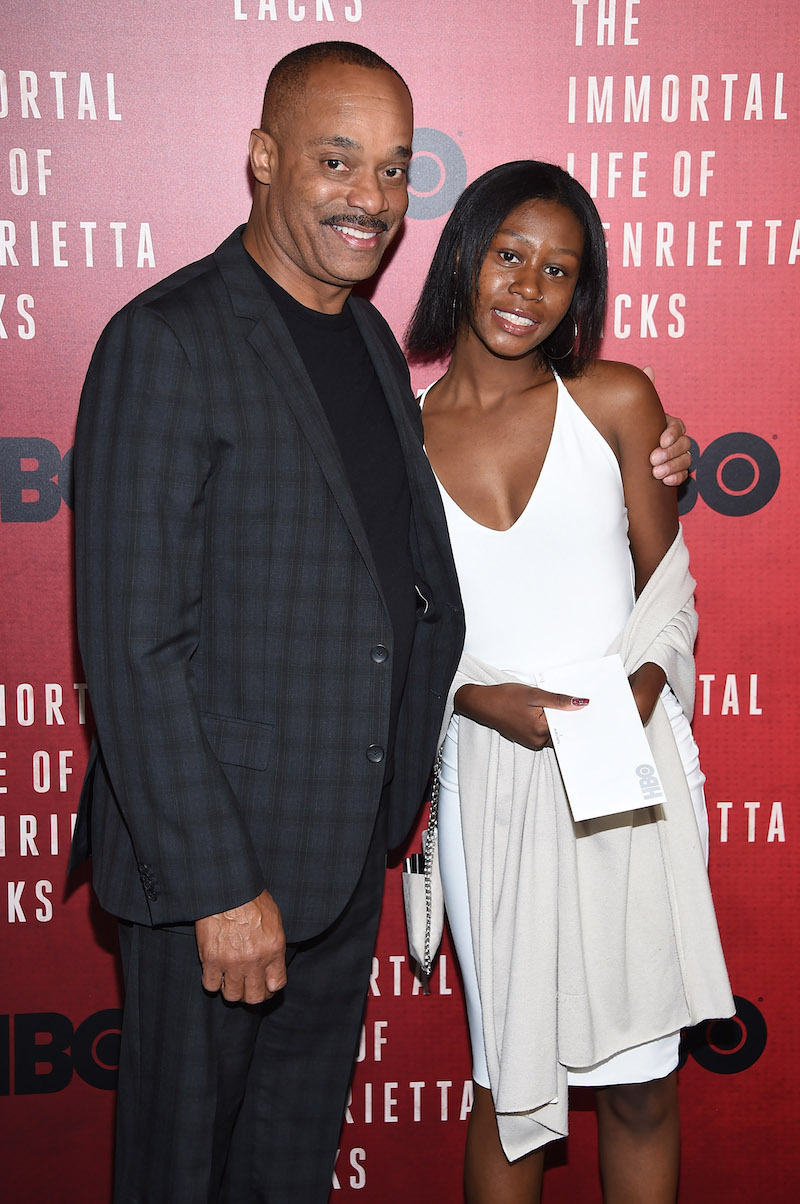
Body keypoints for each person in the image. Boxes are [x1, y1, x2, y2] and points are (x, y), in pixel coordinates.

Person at [69, 40, 692, 1203]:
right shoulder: (167, 340)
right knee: (180, 1173)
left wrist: (665, 461)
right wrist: (217, 886)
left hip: (342, 862)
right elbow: (131, 647)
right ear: (263, 160)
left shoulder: (360, 338)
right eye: (337, 160)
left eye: (396, 170)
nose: (370, 196)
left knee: (283, 1170)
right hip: (225, 882)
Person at [406, 160, 733, 1204]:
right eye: (509, 254)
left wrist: (638, 681)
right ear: (462, 252)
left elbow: (666, 585)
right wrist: (470, 697)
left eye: (559, 269)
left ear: (578, 293)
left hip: (622, 770)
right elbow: (398, 628)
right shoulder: (393, 436)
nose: (527, 287)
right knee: (511, 1091)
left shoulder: (616, 401)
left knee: (640, 1084)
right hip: (488, 777)